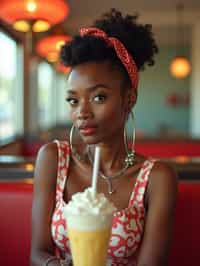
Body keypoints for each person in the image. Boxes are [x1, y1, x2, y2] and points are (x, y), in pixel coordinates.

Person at [30, 8, 177, 266]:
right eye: (73, 100)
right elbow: (37, 253)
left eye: (98, 97)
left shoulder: (157, 177)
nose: (82, 112)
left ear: (128, 99)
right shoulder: (53, 158)